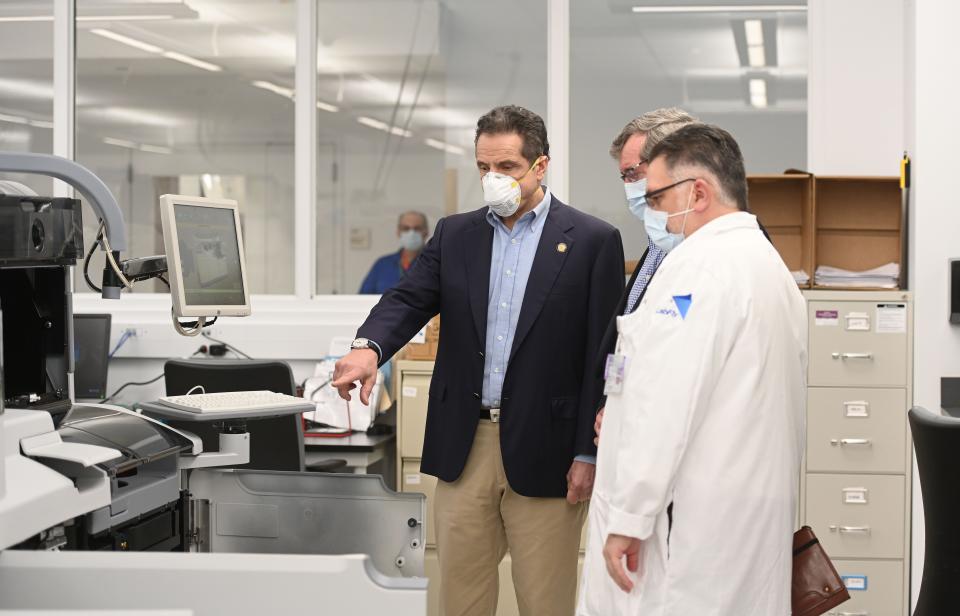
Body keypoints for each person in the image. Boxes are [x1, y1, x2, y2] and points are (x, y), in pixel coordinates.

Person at [332, 105, 624, 616]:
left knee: (545, 599)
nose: (493, 179)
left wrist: (589, 453)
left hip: (548, 449)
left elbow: (604, 356)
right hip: (465, 445)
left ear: (541, 166)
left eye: (507, 167)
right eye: (483, 167)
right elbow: (406, 300)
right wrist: (367, 347)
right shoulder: (456, 234)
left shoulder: (592, 242)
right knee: (460, 598)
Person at [577, 124, 807, 616]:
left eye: (656, 197)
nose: (650, 211)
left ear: (698, 192)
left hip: (690, 525)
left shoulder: (700, 268)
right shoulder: (765, 263)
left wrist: (630, 517)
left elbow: (664, 403)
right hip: (740, 517)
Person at [592, 108, 698, 446]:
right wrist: (612, 403)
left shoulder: (711, 256)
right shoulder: (658, 242)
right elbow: (628, 341)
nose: (628, 186)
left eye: (632, 173)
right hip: (633, 433)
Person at [358, 211, 430, 294]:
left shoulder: (434, 264)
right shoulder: (382, 264)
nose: (411, 233)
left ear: (426, 232)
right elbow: (363, 297)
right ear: (398, 232)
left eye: (417, 228)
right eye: (406, 228)